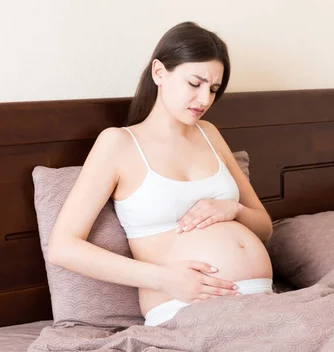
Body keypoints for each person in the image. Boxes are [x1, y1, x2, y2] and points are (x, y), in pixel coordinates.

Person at [48, 21, 274, 326]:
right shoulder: (118, 144)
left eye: (214, 89)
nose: (205, 99)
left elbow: (265, 228)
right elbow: (63, 247)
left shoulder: (209, 133)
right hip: (184, 307)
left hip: (265, 302)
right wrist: (165, 279)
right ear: (159, 72)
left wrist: (232, 209)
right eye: (195, 83)